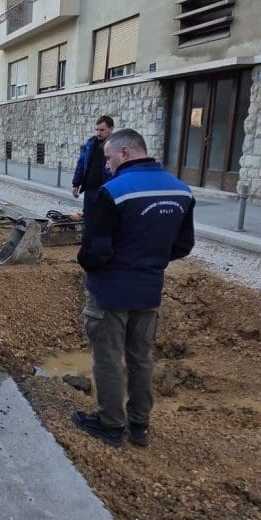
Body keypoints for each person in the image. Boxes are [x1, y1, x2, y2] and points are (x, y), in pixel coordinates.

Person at [72, 129, 194, 448]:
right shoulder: (182, 191)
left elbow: (96, 250)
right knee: (141, 358)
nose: (107, 166)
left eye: (109, 158)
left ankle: (110, 424)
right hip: (148, 289)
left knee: (109, 358)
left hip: (110, 291)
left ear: (125, 153)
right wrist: (148, 261)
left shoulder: (113, 191)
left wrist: (88, 262)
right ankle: (139, 424)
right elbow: (183, 245)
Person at [71, 115, 114, 216]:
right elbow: (81, 163)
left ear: (111, 129)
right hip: (90, 188)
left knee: (103, 217)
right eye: (97, 130)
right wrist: (76, 184)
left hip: (106, 189)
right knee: (88, 215)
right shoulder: (90, 143)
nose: (98, 133)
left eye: (102, 130)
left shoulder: (116, 144)